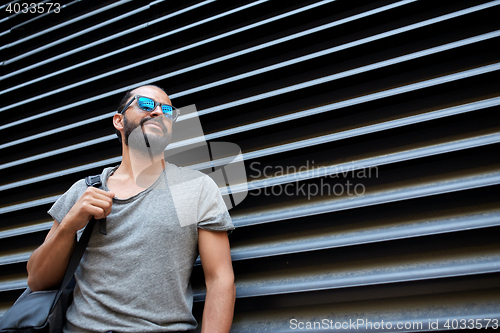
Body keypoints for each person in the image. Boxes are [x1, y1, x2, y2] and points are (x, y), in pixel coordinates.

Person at [26, 85, 236, 333]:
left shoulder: (196, 187)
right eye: (146, 104)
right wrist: (70, 224)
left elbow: (220, 279)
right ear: (118, 120)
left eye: (168, 110)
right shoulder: (83, 191)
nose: (159, 112)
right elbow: (37, 280)